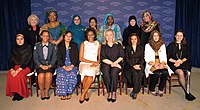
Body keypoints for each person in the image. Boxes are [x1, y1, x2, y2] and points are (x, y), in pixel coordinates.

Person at [167, 30, 196, 101]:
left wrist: (181, 61)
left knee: (188, 72)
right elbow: (168, 57)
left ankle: (187, 89)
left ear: (183, 37)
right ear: (175, 36)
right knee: (180, 72)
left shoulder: (186, 45)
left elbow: (187, 56)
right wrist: (176, 61)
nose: (179, 37)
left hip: (183, 62)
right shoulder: (171, 45)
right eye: (177, 35)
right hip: (173, 63)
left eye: (181, 36)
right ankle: (187, 92)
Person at [144, 30, 172, 97]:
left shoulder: (162, 45)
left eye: (157, 36)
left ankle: (161, 88)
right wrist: (154, 64)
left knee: (165, 72)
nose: (156, 37)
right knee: (156, 73)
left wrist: (162, 63)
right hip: (152, 63)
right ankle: (152, 89)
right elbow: (146, 57)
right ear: (152, 37)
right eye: (154, 36)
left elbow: (164, 56)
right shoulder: (147, 45)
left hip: (161, 62)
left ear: (159, 37)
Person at [6, 34, 32, 101]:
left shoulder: (28, 47)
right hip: (16, 66)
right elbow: (11, 59)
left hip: (26, 66)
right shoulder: (13, 47)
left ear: (24, 39)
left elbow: (28, 60)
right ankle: (15, 92)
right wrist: (12, 69)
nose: (19, 41)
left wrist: (18, 70)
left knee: (19, 75)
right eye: (18, 39)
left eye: (21, 39)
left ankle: (21, 93)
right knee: (10, 74)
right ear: (15, 40)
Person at [100, 29, 124, 103]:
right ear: (105, 36)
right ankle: (109, 91)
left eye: (110, 34)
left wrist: (116, 63)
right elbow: (103, 58)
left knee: (114, 72)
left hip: (117, 63)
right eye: (107, 35)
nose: (109, 36)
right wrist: (112, 64)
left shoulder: (118, 45)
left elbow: (122, 56)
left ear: (113, 35)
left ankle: (113, 92)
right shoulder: (103, 46)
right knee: (106, 72)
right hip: (106, 64)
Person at [79, 28, 101, 103]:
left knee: (91, 74)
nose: (90, 36)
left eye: (92, 35)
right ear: (86, 36)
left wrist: (97, 62)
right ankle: (86, 93)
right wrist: (92, 62)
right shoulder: (83, 44)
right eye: (88, 35)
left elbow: (99, 58)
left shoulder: (98, 44)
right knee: (85, 72)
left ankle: (83, 93)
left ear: (94, 35)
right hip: (84, 63)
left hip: (94, 64)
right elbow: (81, 58)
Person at [33, 30, 57, 100]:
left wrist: (49, 66)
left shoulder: (53, 46)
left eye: (47, 36)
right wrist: (41, 65)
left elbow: (54, 58)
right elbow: (35, 58)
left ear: (49, 37)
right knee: (41, 75)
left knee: (48, 75)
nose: (45, 37)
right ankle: (42, 92)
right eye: (44, 36)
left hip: (50, 65)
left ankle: (46, 91)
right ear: (41, 36)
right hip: (40, 65)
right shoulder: (37, 45)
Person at [56, 31, 79, 100]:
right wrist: (64, 66)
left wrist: (71, 66)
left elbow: (76, 57)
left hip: (72, 64)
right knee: (62, 75)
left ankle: (69, 92)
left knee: (71, 75)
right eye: (67, 36)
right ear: (64, 37)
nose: (68, 37)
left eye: (70, 36)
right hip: (62, 65)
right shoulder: (60, 45)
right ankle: (62, 93)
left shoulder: (74, 45)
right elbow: (59, 58)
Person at [123, 33, 144, 100]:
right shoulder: (127, 47)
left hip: (139, 64)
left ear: (137, 39)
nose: (134, 40)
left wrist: (139, 65)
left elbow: (142, 59)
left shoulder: (141, 47)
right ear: (130, 40)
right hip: (130, 65)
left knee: (140, 73)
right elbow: (126, 59)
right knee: (135, 74)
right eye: (132, 39)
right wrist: (133, 65)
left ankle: (135, 91)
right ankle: (136, 91)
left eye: (135, 39)